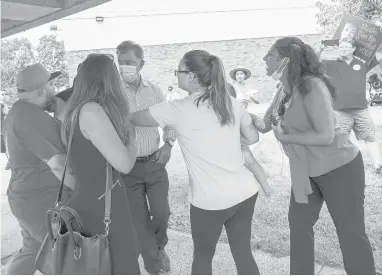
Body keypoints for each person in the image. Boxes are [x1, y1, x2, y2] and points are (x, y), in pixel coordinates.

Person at [129, 50, 262, 275]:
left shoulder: (176, 109)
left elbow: (133, 118)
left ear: (191, 75)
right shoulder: (230, 102)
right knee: (243, 253)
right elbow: (253, 138)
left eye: (178, 71)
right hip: (245, 193)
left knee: (202, 258)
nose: (176, 75)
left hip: (209, 201)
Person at [252, 36, 376, 275]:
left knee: (350, 232)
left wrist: (285, 138)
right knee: (299, 226)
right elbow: (264, 124)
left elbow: (325, 135)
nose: (265, 60)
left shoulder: (313, 86)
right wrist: (234, 113)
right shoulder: (283, 90)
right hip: (305, 172)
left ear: (285, 60)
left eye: (270, 56)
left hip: (338, 168)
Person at [60, 54, 140, 274]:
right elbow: (124, 164)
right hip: (104, 203)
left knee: (93, 265)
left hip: (86, 197)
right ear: (109, 79)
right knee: (118, 262)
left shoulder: (72, 112)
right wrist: (132, 140)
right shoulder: (92, 111)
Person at [2, 63, 76, 275]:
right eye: (51, 85)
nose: (54, 90)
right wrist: (81, 192)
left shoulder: (19, 112)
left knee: (32, 250)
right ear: (42, 89)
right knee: (63, 256)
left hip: (24, 198)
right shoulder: (31, 116)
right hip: (38, 201)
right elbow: (58, 163)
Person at [116, 40, 175, 274]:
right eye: (120, 62)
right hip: (128, 168)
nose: (124, 67)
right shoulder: (114, 93)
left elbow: (170, 121)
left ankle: (159, 248)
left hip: (154, 162)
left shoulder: (155, 91)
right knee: (139, 221)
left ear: (142, 63)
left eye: (129, 62)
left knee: (162, 213)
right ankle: (154, 265)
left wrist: (169, 145)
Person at [317, 37, 382, 173]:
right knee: (340, 140)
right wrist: (321, 48)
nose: (343, 48)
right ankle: (339, 167)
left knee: (369, 137)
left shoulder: (362, 63)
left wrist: (378, 37)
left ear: (353, 49)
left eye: (346, 46)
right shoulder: (331, 64)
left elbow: (379, 56)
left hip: (361, 110)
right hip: (340, 111)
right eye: (341, 46)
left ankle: (378, 165)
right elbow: (313, 63)